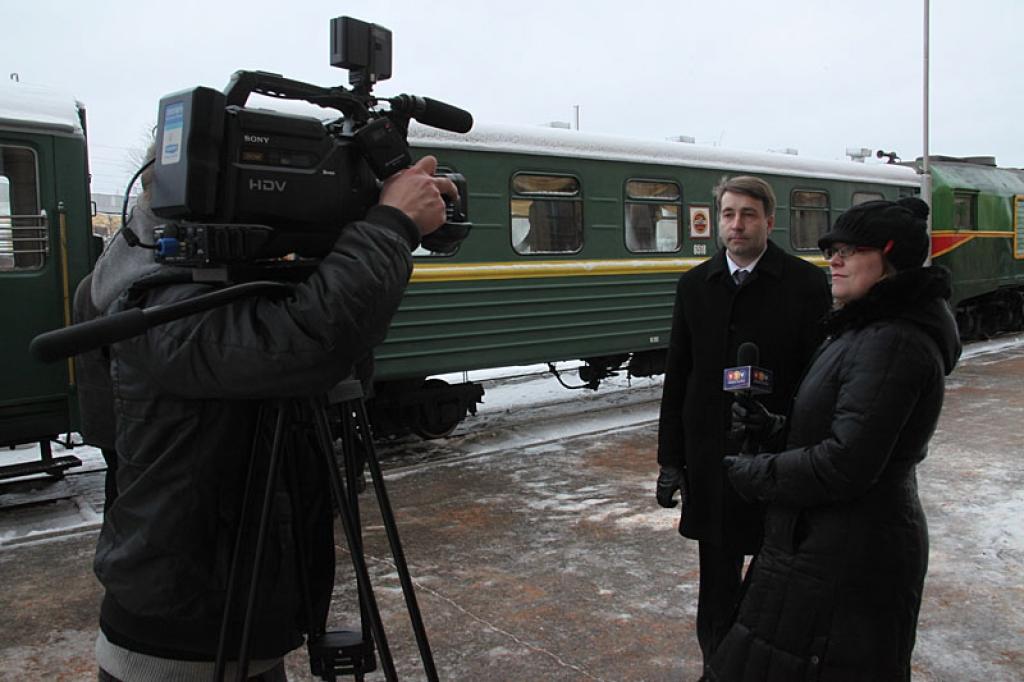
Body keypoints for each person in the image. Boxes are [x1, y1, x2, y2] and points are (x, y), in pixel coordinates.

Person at [88, 153, 456, 681]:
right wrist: (390, 225)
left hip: (234, 610)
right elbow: (309, 345)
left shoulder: (152, 276)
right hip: (185, 638)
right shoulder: (166, 305)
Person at [709, 197, 961, 681]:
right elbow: (851, 431)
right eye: (831, 250)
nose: (834, 260)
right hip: (826, 544)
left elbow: (847, 463)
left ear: (891, 255)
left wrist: (754, 474)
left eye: (849, 249)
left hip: (849, 554)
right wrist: (776, 428)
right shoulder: (867, 329)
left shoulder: (892, 341)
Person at [655, 176, 831, 670]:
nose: (736, 224)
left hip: (780, 456)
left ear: (769, 222)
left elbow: (818, 378)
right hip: (711, 460)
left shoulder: (805, 284)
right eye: (728, 214)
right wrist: (670, 458)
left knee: (779, 578)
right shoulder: (695, 285)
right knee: (716, 581)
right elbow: (679, 375)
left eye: (748, 214)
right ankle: (716, 665)